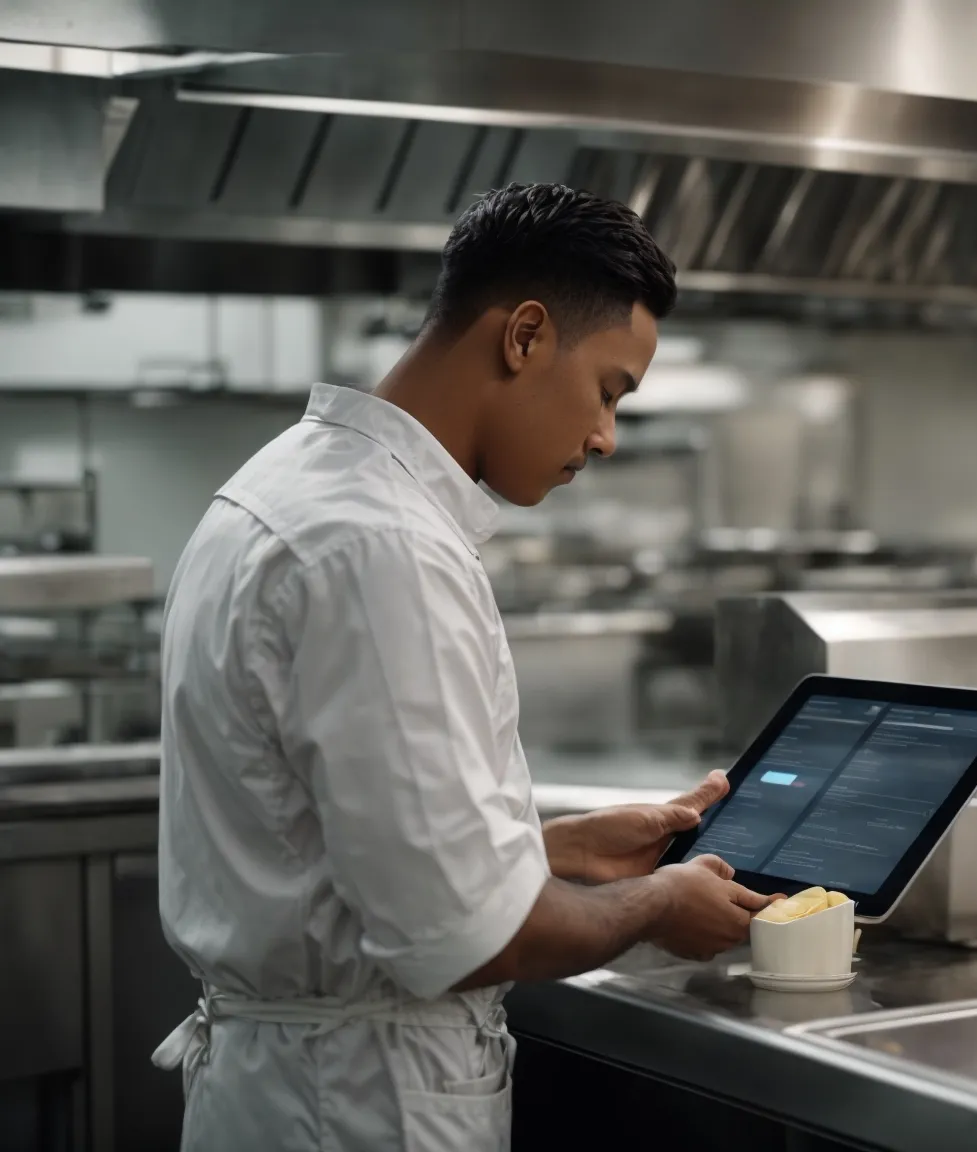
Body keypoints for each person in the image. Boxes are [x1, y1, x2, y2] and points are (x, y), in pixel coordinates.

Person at [151, 183, 774, 1151]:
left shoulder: (282, 486)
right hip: (359, 1110)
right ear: (523, 336)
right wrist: (657, 903)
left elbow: (341, 846)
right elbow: (466, 939)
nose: (606, 436)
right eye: (608, 390)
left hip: (289, 1093)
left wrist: (550, 847)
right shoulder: (377, 548)